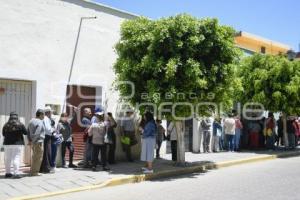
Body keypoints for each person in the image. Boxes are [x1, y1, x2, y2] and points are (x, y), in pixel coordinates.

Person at [2, 112, 27, 178]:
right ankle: (16, 173)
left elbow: (3, 134)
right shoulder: (20, 124)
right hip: (17, 144)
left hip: (7, 144)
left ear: (10, 117)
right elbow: (25, 132)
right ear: (17, 117)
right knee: (16, 157)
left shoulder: (6, 125)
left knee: (7, 159)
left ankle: (7, 173)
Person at [27, 109, 46, 176]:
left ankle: (32, 171)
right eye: (44, 114)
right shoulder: (40, 122)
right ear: (40, 114)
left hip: (33, 141)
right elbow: (37, 133)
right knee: (38, 157)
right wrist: (33, 141)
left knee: (34, 157)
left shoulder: (31, 121)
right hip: (38, 141)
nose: (44, 116)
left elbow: (28, 132)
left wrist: (30, 140)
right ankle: (34, 172)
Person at [40, 106, 53, 173]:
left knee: (44, 152)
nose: (51, 113)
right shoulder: (46, 119)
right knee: (47, 152)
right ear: (49, 112)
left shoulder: (43, 118)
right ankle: (46, 168)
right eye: (51, 112)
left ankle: (42, 168)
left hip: (44, 136)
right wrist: (53, 130)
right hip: (47, 137)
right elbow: (48, 129)